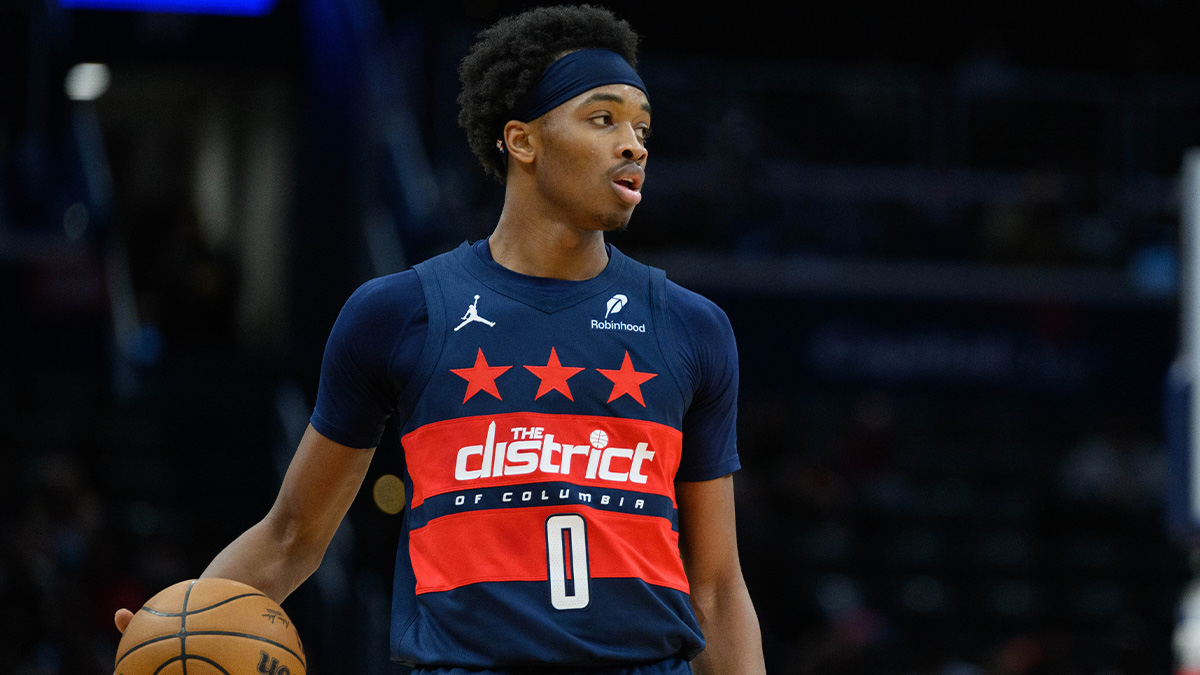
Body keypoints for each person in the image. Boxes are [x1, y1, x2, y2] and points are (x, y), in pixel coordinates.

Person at [115, 5, 766, 673]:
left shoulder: (690, 326)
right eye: (603, 119)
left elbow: (717, 588)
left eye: (641, 127)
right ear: (522, 141)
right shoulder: (398, 313)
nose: (634, 145)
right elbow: (290, 537)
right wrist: (182, 627)